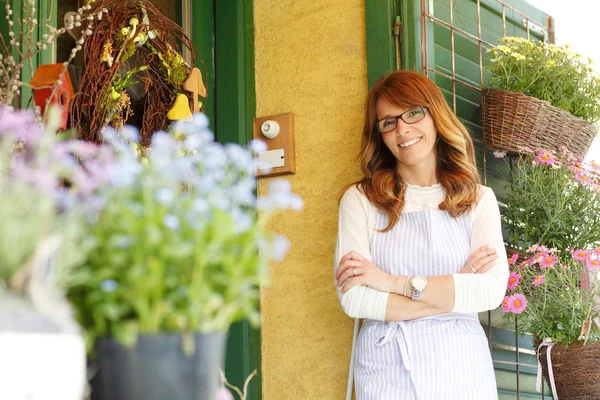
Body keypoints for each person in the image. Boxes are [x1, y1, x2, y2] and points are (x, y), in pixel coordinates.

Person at [334, 70, 509, 400]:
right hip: (388, 369)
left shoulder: (478, 199)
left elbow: (489, 292)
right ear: (381, 135)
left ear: (435, 115)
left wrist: (392, 283)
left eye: (413, 113)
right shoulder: (360, 200)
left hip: (462, 368)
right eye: (388, 122)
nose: (402, 129)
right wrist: (455, 288)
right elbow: (355, 298)